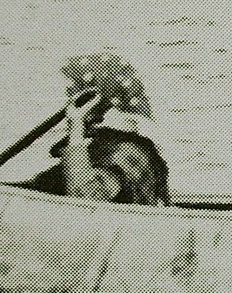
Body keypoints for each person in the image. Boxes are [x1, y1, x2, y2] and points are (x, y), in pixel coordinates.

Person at [15, 53, 170, 204]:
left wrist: (76, 124)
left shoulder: (128, 153)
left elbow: (86, 199)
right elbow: (43, 187)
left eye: (72, 99)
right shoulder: (104, 144)